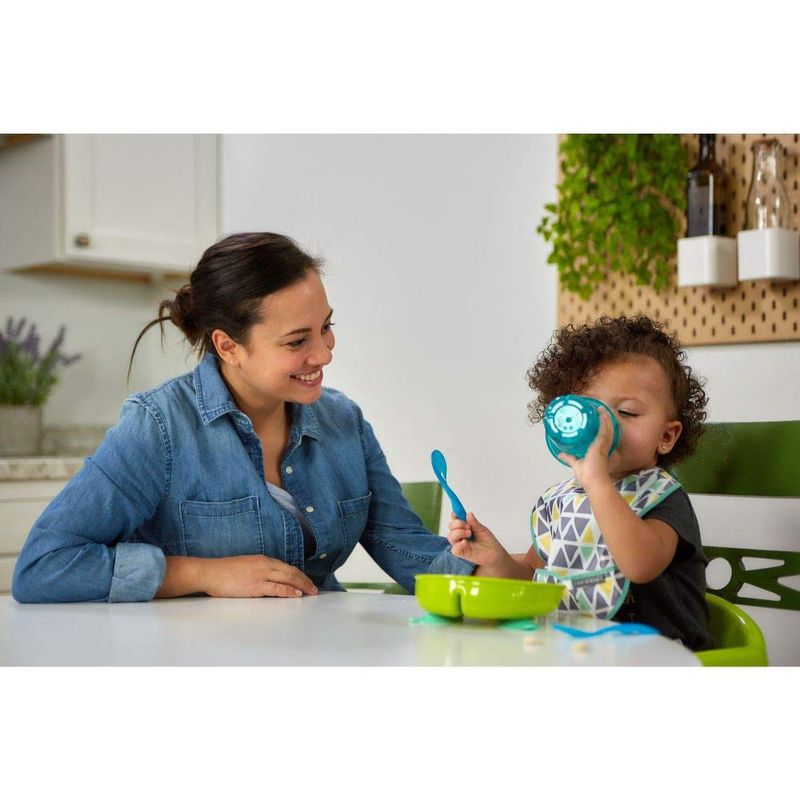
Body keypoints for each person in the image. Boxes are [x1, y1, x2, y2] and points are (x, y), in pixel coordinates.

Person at [12, 232, 477, 603]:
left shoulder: (344, 421)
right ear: (228, 346)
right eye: (297, 341)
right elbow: (43, 566)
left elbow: (420, 561)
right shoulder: (159, 427)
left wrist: (502, 564)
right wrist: (204, 574)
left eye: (326, 327)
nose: (323, 354)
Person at [447, 314, 716, 651]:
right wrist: (497, 560)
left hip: (665, 657)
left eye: (627, 412)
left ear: (666, 436)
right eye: (589, 411)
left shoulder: (663, 497)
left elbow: (639, 566)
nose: (604, 426)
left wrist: (597, 482)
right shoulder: (564, 502)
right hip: (582, 650)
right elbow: (533, 575)